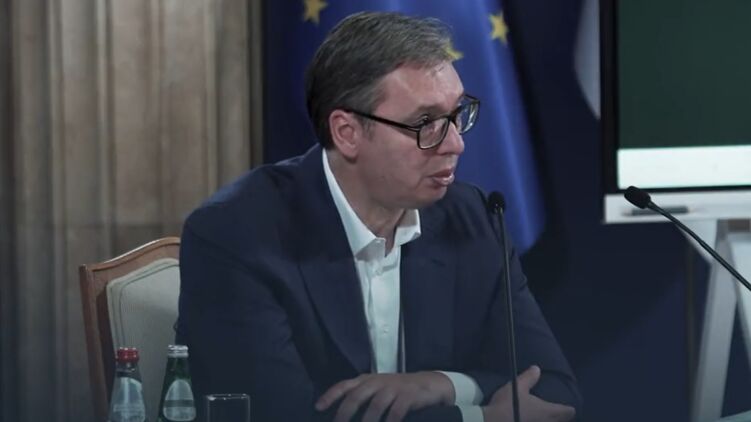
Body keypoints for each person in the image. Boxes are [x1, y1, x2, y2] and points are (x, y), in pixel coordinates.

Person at [177, 11, 580, 422]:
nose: (455, 144)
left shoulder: (473, 219)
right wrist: (478, 417)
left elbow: (553, 389)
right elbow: (279, 414)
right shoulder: (237, 234)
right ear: (347, 133)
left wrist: (442, 385)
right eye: (425, 123)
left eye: (457, 113)